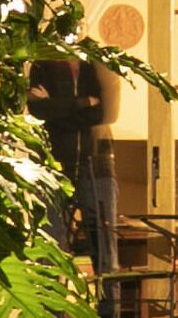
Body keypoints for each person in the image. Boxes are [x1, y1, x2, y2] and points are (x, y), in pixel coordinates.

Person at [24, 52, 120, 273]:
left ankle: (108, 307)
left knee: (105, 245)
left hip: (96, 161)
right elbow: (40, 110)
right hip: (53, 162)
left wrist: (58, 108)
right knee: (51, 242)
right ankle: (51, 307)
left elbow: (103, 113)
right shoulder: (44, 64)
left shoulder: (97, 65)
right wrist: (84, 102)